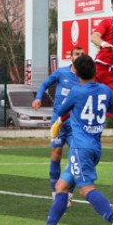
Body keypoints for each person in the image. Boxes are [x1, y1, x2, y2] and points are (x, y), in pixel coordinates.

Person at [24, 55, 113, 225]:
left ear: (77, 73)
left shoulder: (76, 91)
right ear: (95, 71)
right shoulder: (105, 90)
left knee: (85, 189)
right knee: (62, 186)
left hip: (81, 148)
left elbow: (63, 110)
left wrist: (60, 121)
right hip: (95, 146)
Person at [32, 47, 84, 197]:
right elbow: (44, 84)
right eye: (77, 54)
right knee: (56, 153)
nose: (79, 56)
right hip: (58, 122)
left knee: (75, 156)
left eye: (82, 54)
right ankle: (55, 192)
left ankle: (68, 193)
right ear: (71, 57)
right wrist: (38, 97)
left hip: (75, 123)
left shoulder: (86, 78)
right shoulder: (62, 72)